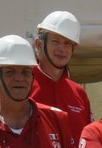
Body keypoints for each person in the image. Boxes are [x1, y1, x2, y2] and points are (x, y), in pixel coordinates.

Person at [29, 9, 91, 140]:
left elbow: (89, 140)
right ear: (39, 44)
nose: (62, 49)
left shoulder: (79, 93)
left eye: (67, 43)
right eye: (55, 41)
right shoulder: (24, 87)